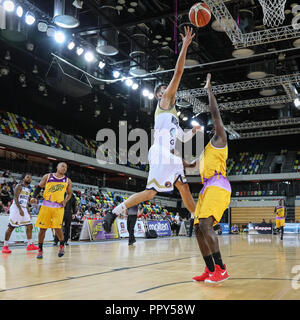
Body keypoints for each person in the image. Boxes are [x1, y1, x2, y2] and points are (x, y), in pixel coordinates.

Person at [103, 26, 202, 233]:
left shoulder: (173, 117)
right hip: (160, 152)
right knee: (149, 194)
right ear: (159, 95)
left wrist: (193, 134)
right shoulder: (165, 102)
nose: (169, 89)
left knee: (183, 187)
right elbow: (179, 72)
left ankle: (196, 219)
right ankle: (114, 212)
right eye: (164, 88)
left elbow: (181, 138)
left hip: (171, 156)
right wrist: (184, 46)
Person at [192, 73, 231, 284]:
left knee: (206, 226)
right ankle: (209, 268)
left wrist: (209, 91)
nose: (213, 127)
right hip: (207, 188)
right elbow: (191, 166)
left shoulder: (221, 139)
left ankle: (221, 269)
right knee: (198, 229)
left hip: (219, 185)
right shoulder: (205, 150)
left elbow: (215, 114)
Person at [31, 162, 72, 259]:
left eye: (66, 167)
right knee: (42, 229)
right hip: (46, 206)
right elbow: (39, 187)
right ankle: (40, 249)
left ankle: (61, 245)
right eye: (62, 166)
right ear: (57, 167)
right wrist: (33, 197)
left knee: (57, 228)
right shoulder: (48, 176)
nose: (64, 168)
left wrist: (65, 200)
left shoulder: (67, 181)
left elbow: (69, 193)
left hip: (58, 207)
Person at [2, 173, 39, 253]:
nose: (29, 179)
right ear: (23, 178)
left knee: (29, 226)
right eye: (28, 177)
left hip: (24, 208)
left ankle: (29, 245)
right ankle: (5, 246)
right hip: (16, 207)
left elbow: (26, 202)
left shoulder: (28, 189)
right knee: (11, 227)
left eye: (30, 178)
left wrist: (28, 211)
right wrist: (19, 209)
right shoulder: (19, 186)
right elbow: (15, 198)